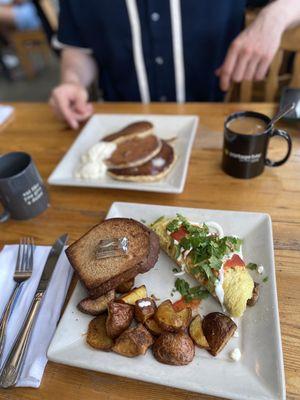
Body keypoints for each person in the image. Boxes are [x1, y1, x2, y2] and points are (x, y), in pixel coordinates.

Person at [50, 0, 300, 129]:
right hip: (119, 122)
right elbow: (78, 48)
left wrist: (274, 17)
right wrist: (73, 81)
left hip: (215, 121)